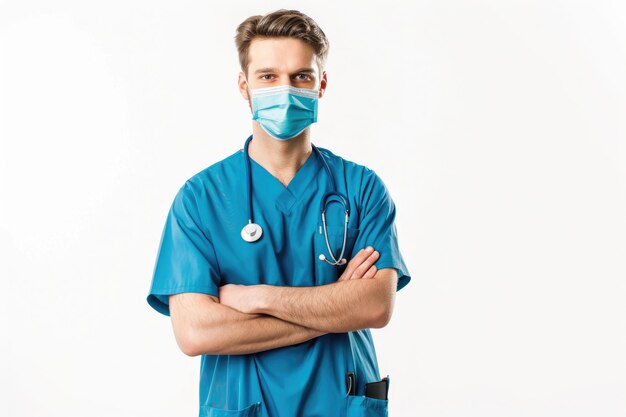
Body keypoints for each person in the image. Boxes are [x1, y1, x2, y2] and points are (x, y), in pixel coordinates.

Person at [146, 8, 411, 417]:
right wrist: (336, 308)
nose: (285, 90)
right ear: (244, 85)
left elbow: (375, 307)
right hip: (244, 405)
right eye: (268, 77)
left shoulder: (361, 188)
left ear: (321, 84)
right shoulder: (200, 199)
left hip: (338, 402)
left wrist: (255, 298)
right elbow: (196, 332)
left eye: (300, 76)